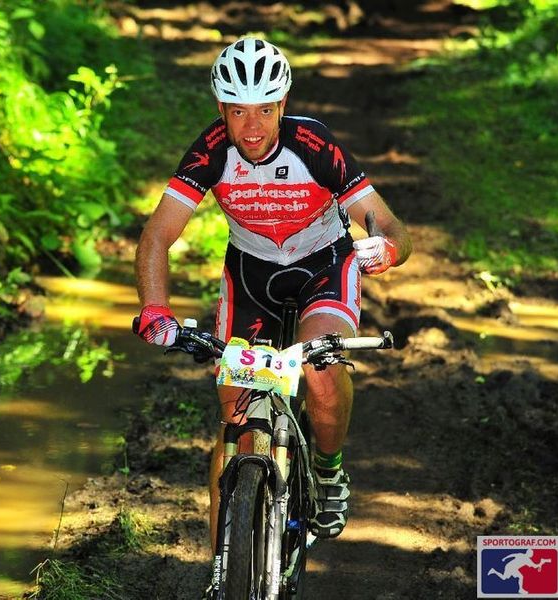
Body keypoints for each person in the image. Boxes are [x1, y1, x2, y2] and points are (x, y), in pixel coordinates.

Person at [133, 37, 413, 553]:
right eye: (238, 111)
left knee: (321, 369)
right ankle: (223, 571)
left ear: (283, 104)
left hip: (322, 266)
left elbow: (390, 224)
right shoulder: (211, 149)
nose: (253, 127)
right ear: (221, 109)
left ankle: (328, 469)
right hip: (251, 276)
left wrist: (387, 248)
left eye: (265, 109)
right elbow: (156, 236)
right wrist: (155, 310)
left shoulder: (313, 144)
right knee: (235, 423)